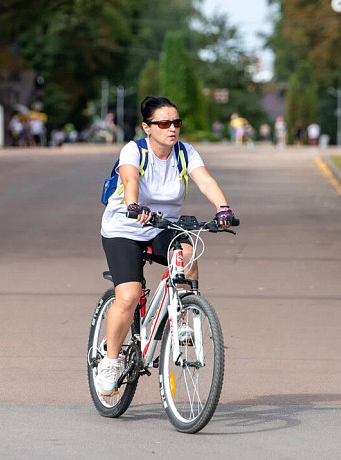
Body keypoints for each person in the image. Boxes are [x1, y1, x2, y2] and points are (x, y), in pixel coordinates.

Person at [96, 96, 236, 396]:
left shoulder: (185, 153)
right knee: (130, 295)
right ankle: (110, 360)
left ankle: (184, 319)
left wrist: (222, 208)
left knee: (188, 255)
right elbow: (130, 178)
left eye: (176, 122)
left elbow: (205, 180)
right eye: (163, 123)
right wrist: (133, 205)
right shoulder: (133, 150)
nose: (172, 128)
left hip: (163, 226)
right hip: (125, 227)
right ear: (147, 127)